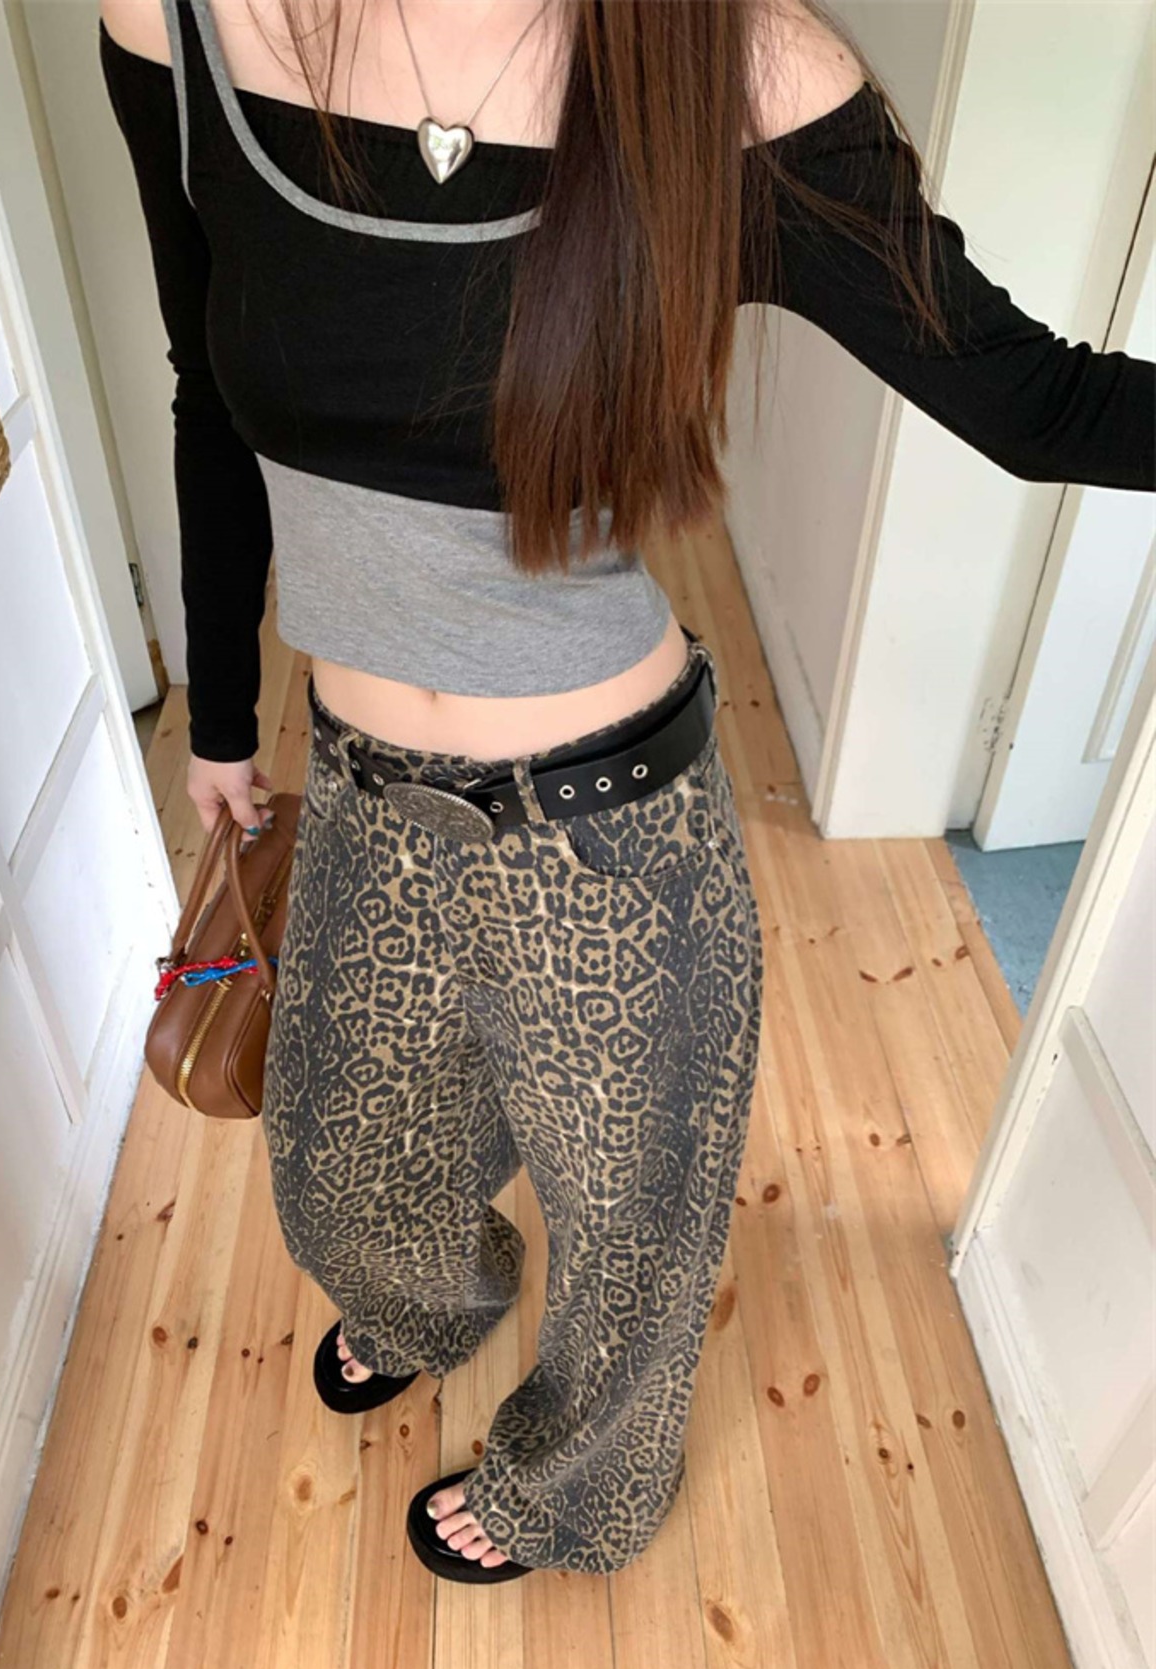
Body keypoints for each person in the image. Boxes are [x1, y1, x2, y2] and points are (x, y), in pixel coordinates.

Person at [99, 0, 1154, 1584]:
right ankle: (429, 1302)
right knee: (342, 1175)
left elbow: (1040, 403)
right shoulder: (178, 27)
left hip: (605, 834)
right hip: (367, 792)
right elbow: (206, 385)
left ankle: (576, 1491)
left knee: (633, 1235)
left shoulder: (736, 68)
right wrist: (225, 720)